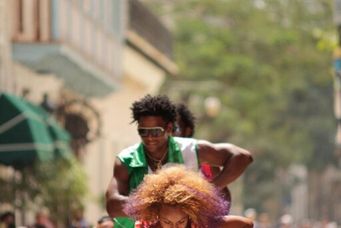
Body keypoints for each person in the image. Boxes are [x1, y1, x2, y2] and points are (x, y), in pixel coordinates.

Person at [105, 94, 253, 227]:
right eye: (143, 131)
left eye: (156, 131)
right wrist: (159, 207)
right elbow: (112, 205)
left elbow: (242, 157)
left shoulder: (190, 149)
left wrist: (205, 193)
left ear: (169, 127)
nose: (149, 137)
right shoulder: (126, 159)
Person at [124, 165, 253, 228]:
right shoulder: (144, 226)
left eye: (181, 222)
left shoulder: (199, 225)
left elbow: (246, 224)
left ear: (189, 215)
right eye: (167, 222)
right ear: (157, 215)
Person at [173, 103, 232, 209]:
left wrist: (206, 193)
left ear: (187, 130)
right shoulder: (156, 159)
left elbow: (224, 197)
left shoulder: (206, 161)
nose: (170, 133)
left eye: (175, 128)